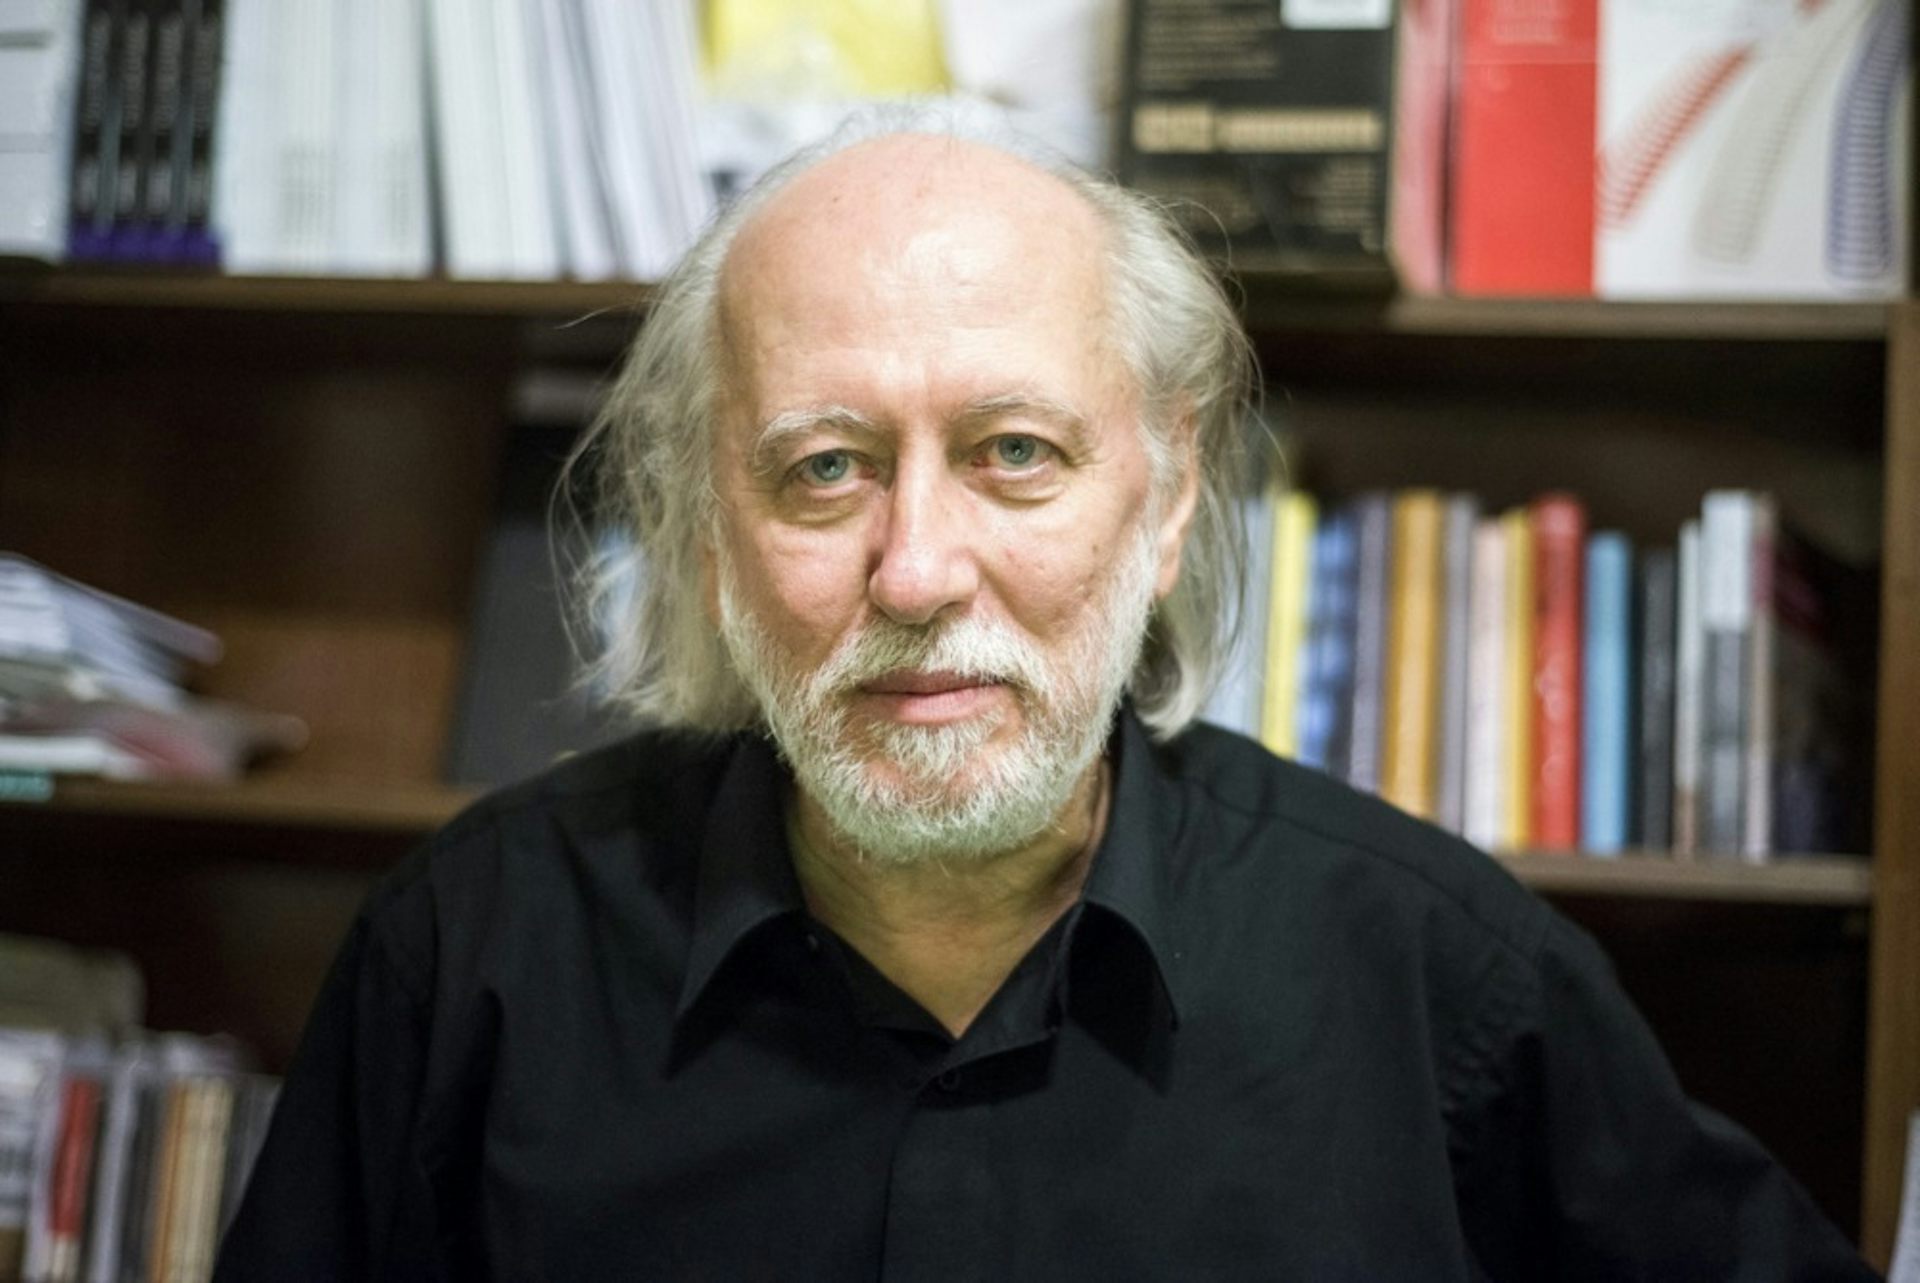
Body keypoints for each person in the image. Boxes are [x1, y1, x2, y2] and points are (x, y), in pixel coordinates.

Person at [214, 118, 1877, 1280]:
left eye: (1016, 454)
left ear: (1162, 509)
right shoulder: (471, 957)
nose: (919, 568)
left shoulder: (1444, 979)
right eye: (824, 469)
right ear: (711, 536)